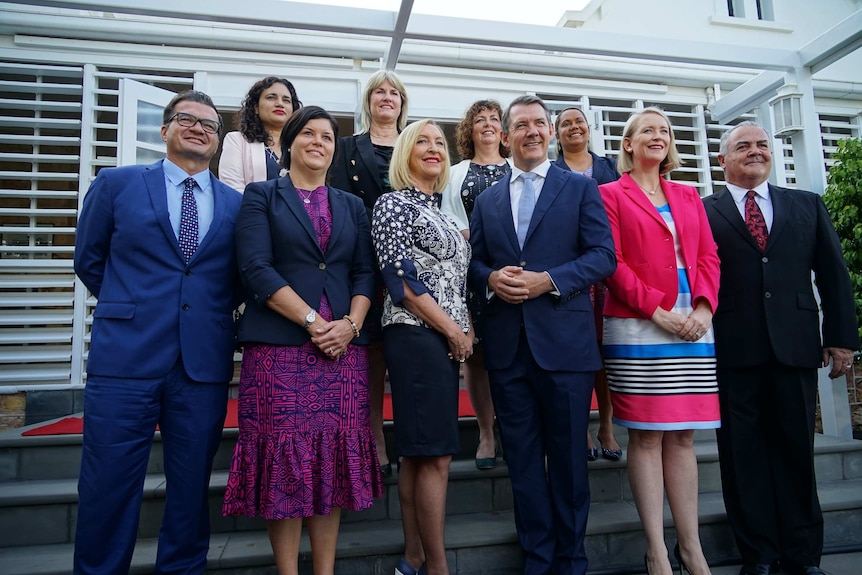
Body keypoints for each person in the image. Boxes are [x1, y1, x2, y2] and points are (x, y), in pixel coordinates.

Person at [72, 90, 242, 575]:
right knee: (108, 484)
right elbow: (90, 259)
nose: (199, 128)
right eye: (186, 119)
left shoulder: (236, 205)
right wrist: (134, 307)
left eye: (210, 125)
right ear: (164, 130)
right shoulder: (117, 184)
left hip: (201, 366)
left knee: (190, 491)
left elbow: (235, 281)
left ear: (217, 140)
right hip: (125, 360)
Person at [222, 106, 384, 575]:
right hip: (280, 351)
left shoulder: (352, 205)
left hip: (342, 354)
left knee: (330, 462)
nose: (319, 142)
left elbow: (363, 272)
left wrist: (351, 326)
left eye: (328, 137)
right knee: (284, 463)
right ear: (289, 142)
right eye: (308, 134)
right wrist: (315, 323)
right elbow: (256, 268)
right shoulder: (260, 196)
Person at [468, 95, 616, 575]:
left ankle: (572, 561)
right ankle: (537, 560)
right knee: (525, 464)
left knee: (571, 462)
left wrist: (548, 280)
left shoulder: (579, 188)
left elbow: (602, 256)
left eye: (539, 124)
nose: (531, 131)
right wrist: (490, 278)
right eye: (521, 125)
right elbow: (472, 261)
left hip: (566, 349)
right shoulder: (488, 199)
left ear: (550, 133)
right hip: (509, 351)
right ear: (506, 136)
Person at [704, 121, 859, 575]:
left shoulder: (806, 205)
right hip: (731, 351)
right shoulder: (702, 210)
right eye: (743, 146)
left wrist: (842, 338)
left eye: (761, 145)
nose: (755, 152)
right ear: (722, 159)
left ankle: (802, 555)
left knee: (795, 454)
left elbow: (833, 276)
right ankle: (758, 555)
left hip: (794, 348)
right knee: (741, 457)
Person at [598, 107, 721, 575]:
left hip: (695, 325)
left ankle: (692, 548)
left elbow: (709, 257)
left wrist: (704, 309)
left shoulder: (690, 195)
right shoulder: (610, 194)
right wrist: (658, 311)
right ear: (627, 144)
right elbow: (612, 262)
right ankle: (657, 551)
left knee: (684, 438)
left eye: (664, 130)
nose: (658, 135)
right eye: (647, 129)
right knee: (647, 438)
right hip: (639, 326)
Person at [372, 119, 473, 575]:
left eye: (439, 142)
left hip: (443, 337)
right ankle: (437, 566)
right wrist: (453, 331)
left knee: (420, 452)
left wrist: (463, 330)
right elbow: (402, 283)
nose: (434, 148)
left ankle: (414, 557)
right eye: (422, 142)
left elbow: (457, 282)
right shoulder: (391, 204)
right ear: (405, 153)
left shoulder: (448, 215)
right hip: (415, 333)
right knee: (434, 454)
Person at [330, 69, 410, 477]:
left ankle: (414, 437)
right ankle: (374, 436)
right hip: (365, 260)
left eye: (393, 92)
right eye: (379, 91)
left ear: (402, 102)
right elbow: (341, 202)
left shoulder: (416, 143)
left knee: (412, 347)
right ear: (368, 101)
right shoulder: (346, 147)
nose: (386, 96)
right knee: (373, 352)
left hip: (412, 263)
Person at [440, 99, 510, 470]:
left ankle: (513, 429)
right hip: (468, 273)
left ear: (504, 131)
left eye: (493, 119)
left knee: (513, 352)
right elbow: (445, 218)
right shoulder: (455, 172)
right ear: (469, 130)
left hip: (513, 272)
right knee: (477, 356)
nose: (486, 124)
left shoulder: (519, 168)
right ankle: (485, 432)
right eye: (479, 119)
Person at [553, 106, 623, 462]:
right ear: (556, 133)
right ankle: (580, 428)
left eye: (578, 121)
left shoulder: (611, 167)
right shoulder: (552, 172)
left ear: (589, 128)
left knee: (606, 355)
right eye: (565, 123)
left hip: (610, 271)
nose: (573, 127)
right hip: (571, 272)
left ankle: (607, 427)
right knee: (581, 354)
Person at [219, 76, 302, 192]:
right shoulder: (237, 141)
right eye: (271, 98)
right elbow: (232, 190)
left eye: (286, 100)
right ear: (256, 108)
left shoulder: (300, 146)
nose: (279, 104)